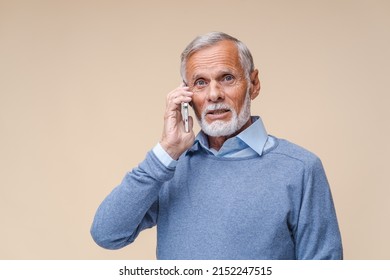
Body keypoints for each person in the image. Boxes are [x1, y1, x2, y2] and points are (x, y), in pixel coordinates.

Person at [91, 31, 343, 260]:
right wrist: (166, 152)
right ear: (186, 95)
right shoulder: (170, 166)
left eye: (227, 78)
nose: (214, 94)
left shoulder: (300, 168)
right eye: (200, 82)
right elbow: (107, 234)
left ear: (253, 84)